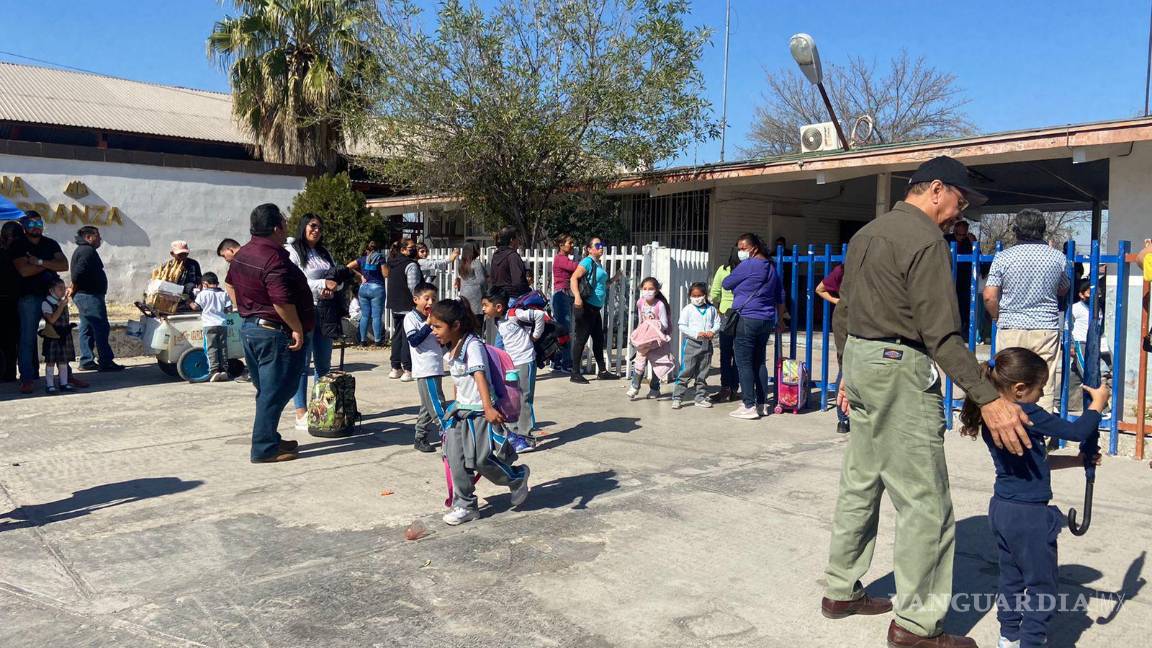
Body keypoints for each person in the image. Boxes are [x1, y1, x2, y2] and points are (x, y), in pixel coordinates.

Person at [822, 156, 1031, 648]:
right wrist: (989, 399)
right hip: (899, 367)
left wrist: (847, 371)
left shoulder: (868, 233)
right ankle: (917, 625)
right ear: (936, 189)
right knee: (927, 503)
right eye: (960, 201)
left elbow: (843, 311)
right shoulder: (925, 240)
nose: (960, 213)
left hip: (862, 360)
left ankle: (840, 590)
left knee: (861, 481)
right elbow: (942, 336)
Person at [958, 347, 1108, 648]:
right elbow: (1077, 431)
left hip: (1002, 510)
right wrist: (1098, 404)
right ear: (1019, 389)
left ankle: (1009, 636)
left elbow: (1035, 462)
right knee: (1042, 586)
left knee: (1011, 579)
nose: (1041, 396)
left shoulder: (995, 419)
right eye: (1040, 388)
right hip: (1029, 516)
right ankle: (1031, 641)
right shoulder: (1027, 412)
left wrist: (1077, 461)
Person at [427, 298, 531, 525]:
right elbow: (459, 381)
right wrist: (455, 404)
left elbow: (479, 376)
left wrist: (488, 408)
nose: (433, 331)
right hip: (460, 413)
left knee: (481, 460)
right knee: (455, 458)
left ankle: (517, 477)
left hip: (479, 414)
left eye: (437, 326)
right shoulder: (452, 346)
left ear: (455, 325)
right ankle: (465, 505)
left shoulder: (472, 345)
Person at [226, 203, 313, 463]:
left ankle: (269, 437)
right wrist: (296, 328)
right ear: (276, 228)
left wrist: (246, 309)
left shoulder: (243, 253)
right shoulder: (272, 258)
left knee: (267, 390)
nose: (286, 226)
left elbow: (230, 284)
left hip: (253, 329)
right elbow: (281, 301)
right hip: (273, 333)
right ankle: (264, 447)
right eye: (284, 222)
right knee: (276, 391)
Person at [983, 209, 1070, 412]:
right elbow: (1063, 288)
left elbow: (989, 296)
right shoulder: (1057, 258)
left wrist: (997, 317)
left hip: (1011, 326)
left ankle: (1008, 422)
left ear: (1017, 230)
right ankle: (1041, 426)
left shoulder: (1004, 257)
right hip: (1045, 327)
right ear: (1042, 230)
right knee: (1043, 382)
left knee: (1008, 381)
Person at [722, 233, 786, 420]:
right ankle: (761, 403)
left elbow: (726, 283)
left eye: (743, 248)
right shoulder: (771, 267)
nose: (740, 252)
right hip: (766, 319)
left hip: (747, 318)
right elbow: (780, 295)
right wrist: (780, 319)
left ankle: (748, 405)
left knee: (744, 363)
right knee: (759, 361)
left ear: (754, 248)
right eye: (739, 248)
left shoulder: (748, 265)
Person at [286, 214, 341, 429]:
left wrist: (334, 287)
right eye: (313, 226)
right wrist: (322, 285)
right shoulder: (293, 251)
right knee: (302, 364)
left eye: (320, 227)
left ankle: (320, 409)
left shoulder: (324, 253)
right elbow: (296, 281)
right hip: (304, 311)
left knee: (324, 365)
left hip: (326, 311)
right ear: (304, 226)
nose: (316, 230)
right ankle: (300, 411)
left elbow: (337, 279)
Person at [11, 212, 69, 394]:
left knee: (61, 334)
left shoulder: (50, 243)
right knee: (27, 338)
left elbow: (64, 265)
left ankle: (66, 376)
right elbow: (24, 271)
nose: (36, 227)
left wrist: (39, 262)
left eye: (39, 223)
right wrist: (49, 264)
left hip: (53, 296)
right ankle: (27, 378)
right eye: (31, 224)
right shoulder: (18, 244)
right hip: (29, 296)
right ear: (24, 226)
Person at [483, 287, 545, 452]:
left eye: (486, 305)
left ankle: (526, 437)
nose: (483, 309)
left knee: (524, 398)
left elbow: (539, 316)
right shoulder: (498, 320)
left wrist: (535, 336)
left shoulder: (514, 314)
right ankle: (515, 434)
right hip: (511, 363)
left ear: (498, 307)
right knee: (512, 398)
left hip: (525, 360)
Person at [71, 226, 123, 372]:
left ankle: (86, 360)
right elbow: (78, 273)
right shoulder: (87, 251)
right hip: (89, 296)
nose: (100, 239)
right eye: (97, 236)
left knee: (87, 327)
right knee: (101, 327)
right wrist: (75, 286)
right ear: (89, 237)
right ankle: (105, 361)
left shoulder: (84, 250)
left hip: (86, 295)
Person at [569, 235, 619, 383]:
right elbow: (574, 278)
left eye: (601, 244)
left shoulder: (598, 264)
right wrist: (577, 297)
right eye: (597, 245)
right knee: (581, 339)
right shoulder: (587, 262)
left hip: (595, 309)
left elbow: (601, 284)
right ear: (589, 249)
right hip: (586, 307)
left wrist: (614, 279)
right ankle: (575, 373)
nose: (601, 247)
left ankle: (602, 372)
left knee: (598, 339)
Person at [405, 282, 446, 453]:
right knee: (438, 406)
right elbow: (414, 340)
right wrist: (428, 324)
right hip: (425, 369)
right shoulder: (411, 318)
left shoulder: (434, 318)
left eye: (434, 299)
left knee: (428, 407)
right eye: (426, 298)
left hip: (436, 367)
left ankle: (420, 437)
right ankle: (449, 436)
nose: (430, 302)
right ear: (416, 299)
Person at [672, 282, 720, 409]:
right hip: (692, 344)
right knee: (686, 371)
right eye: (694, 296)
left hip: (706, 345)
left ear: (705, 295)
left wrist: (712, 331)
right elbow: (682, 325)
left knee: (703, 372)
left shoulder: (711, 309)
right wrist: (696, 334)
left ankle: (700, 397)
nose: (697, 298)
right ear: (690, 296)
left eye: (700, 295)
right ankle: (677, 397)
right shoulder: (688, 309)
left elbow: (717, 323)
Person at [815, 264, 850, 434]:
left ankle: (844, 419)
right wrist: (838, 301)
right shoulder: (843, 270)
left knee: (846, 365)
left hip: (848, 316)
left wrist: (839, 301)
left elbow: (820, 289)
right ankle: (844, 417)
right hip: (851, 318)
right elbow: (819, 289)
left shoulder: (843, 269)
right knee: (847, 365)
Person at [626, 277, 673, 400]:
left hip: (657, 340)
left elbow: (665, 324)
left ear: (656, 291)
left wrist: (653, 325)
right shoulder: (640, 303)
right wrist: (638, 333)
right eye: (645, 288)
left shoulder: (660, 305)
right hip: (644, 339)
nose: (647, 291)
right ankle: (635, 386)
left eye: (650, 289)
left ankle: (654, 389)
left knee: (657, 363)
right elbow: (641, 321)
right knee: (639, 362)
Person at [708, 246, 741, 403]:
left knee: (725, 354)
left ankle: (725, 388)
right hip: (743, 314)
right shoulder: (747, 270)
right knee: (739, 354)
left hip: (726, 315)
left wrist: (720, 307)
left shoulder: (722, 270)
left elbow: (714, 294)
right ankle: (734, 388)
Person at [386, 239, 422, 381]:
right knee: (408, 336)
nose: (414, 249)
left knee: (397, 335)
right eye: (411, 247)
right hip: (407, 305)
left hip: (395, 304)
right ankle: (408, 369)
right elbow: (414, 287)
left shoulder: (393, 263)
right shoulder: (410, 265)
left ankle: (395, 367)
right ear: (403, 250)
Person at [192, 272, 233, 382]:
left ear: (204, 284)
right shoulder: (223, 293)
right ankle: (224, 370)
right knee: (223, 347)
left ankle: (214, 371)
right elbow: (229, 309)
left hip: (209, 325)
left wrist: (188, 300)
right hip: (222, 324)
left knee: (211, 348)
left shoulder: (202, 294)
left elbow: (195, 307)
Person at [40, 278, 76, 394]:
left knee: (63, 361)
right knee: (50, 362)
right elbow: (52, 320)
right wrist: (61, 306)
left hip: (63, 336)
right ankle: (50, 385)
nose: (63, 290)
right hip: (52, 336)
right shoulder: (47, 303)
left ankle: (64, 383)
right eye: (60, 288)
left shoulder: (62, 302)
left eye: (64, 288)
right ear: (51, 290)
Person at [348, 241, 387, 347]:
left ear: (366, 250)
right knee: (376, 316)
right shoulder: (380, 258)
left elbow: (348, 266)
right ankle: (378, 341)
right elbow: (385, 274)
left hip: (364, 288)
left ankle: (363, 340)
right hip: (377, 288)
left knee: (365, 316)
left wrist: (360, 275)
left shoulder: (362, 259)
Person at [0, 221, 26, 383]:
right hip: (12, 300)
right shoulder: (18, 253)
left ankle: (8, 372)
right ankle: (9, 373)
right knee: (11, 340)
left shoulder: (11, 252)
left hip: (11, 300)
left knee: (9, 340)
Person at [944, 220, 978, 340]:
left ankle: (964, 332)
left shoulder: (969, 241)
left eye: (964, 235)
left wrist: (973, 242)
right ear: (955, 230)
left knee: (965, 308)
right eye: (959, 234)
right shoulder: (946, 239)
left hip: (965, 280)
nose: (961, 237)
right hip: (948, 278)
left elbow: (978, 257)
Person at [550, 234, 579, 373]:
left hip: (564, 295)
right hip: (561, 296)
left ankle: (557, 361)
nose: (572, 245)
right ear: (561, 245)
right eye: (569, 243)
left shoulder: (563, 258)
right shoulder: (560, 259)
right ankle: (566, 363)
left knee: (561, 330)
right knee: (564, 331)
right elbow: (576, 267)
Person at [454, 242, 492, 342]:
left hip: (464, 296)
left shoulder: (462, 263)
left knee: (467, 324)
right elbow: (481, 280)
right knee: (477, 325)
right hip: (476, 297)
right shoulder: (476, 263)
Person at [157, 241, 203, 309]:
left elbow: (199, 281)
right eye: (180, 255)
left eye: (185, 254)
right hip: (173, 302)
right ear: (172, 254)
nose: (183, 257)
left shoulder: (194, 264)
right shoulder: (167, 267)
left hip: (191, 299)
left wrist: (198, 292)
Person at [490, 226, 531, 300]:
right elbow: (518, 281)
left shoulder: (496, 255)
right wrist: (527, 288)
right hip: (512, 298)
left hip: (498, 298)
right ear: (512, 240)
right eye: (517, 238)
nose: (518, 241)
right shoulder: (512, 256)